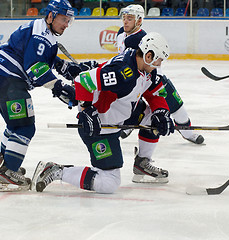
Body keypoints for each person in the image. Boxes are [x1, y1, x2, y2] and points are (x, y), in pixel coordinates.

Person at [32, 32, 175, 194]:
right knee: (109, 182)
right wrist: (86, 110)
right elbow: (82, 80)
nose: (160, 63)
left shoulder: (146, 69)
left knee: (153, 117)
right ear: (149, 56)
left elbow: (155, 92)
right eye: (159, 59)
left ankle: (142, 162)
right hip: (99, 125)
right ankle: (56, 170)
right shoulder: (122, 73)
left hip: (122, 111)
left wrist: (162, 112)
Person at [0, 0, 81, 192]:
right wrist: (59, 86)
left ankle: (4, 164)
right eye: (63, 19)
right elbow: (34, 67)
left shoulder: (42, 30)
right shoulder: (41, 36)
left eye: (69, 20)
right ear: (51, 16)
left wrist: (64, 68)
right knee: (25, 126)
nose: (66, 24)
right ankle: (8, 170)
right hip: (9, 79)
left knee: (14, 125)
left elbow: (42, 57)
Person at [116, 4, 204, 144]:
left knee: (177, 108)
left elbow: (155, 64)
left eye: (130, 18)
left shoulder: (144, 39)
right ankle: (129, 122)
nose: (125, 21)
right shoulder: (121, 33)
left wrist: (156, 81)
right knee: (129, 102)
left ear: (139, 21)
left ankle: (188, 132)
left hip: (153, 79)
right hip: (134, 79)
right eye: (124, 18)